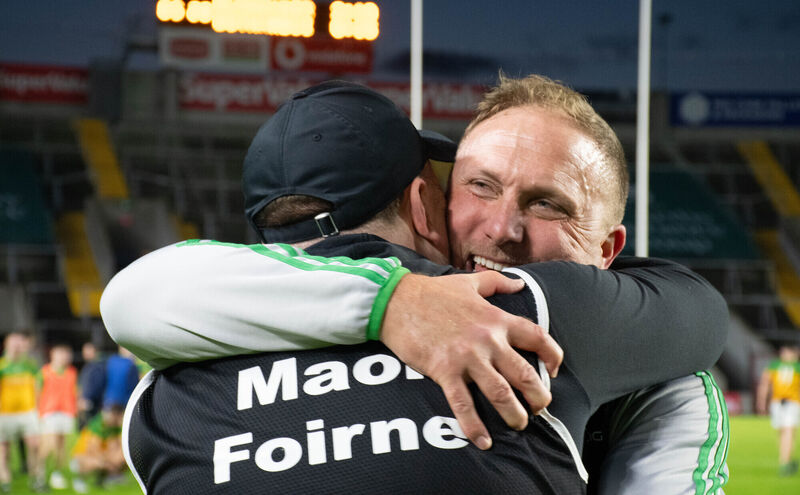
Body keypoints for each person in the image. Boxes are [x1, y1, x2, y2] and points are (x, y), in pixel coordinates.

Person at [104, 81, 727, 493]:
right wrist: (397, 300)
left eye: (546, 205)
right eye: (479, 186)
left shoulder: (164, 397)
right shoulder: (533, 314)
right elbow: (700, 312)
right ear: (427, 205)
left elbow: (134, 295)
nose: (502, 230)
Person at [0, 332, 42, 492]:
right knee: (4, 449)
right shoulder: (2, 365)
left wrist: (37, 409)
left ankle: (35, 478)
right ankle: (5, 480)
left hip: (27, 413)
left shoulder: (30, 365)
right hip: (5, 414)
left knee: (34, 445)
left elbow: (36, 387)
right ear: (7, 345)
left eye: (19, 343)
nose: (17, 346)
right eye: (13, 343)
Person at [36, 343, 78, 490]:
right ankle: (39, 474)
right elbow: (37, 393)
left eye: (66, 353)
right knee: (49, 445)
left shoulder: (72, 372)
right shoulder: (45, 372)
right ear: (53, 354)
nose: (64, 357)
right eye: (60, 353)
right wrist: (38, 412)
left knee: (61, 447)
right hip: (49, 412)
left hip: (66, 412)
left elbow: (74, 393)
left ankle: (56, 473)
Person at [757, 343, 800, 476]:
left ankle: (785, 460)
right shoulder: (795, 367)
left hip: (780, 403)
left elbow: (764, 385)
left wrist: (761, 401)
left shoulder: (774, 366)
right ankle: (785, 461)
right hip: (788, 403)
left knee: (785, 432)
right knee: (787, 432)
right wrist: (762, 401)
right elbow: (765, 384)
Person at [70, 405, 126, 493]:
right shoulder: (97, 426)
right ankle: (80, 479)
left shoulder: (115, 427)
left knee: (122, 456)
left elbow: (121, 445)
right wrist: (107, 461)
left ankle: (106, 478)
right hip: (83, 456)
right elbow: (92, 450)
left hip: (103, 455)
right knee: (98, 463)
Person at [77, 342, 105, 429]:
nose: (86, 353)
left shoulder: (98, 367)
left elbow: (97, 386)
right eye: (84, 350)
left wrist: (87, 399)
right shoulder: (87, 367)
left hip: (92, 405)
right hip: (85, 404)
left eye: (89, 350)